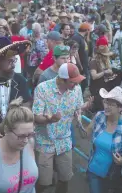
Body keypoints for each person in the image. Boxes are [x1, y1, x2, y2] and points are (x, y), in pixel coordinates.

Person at [33, 63, 93, 193]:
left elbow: (77, 108)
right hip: (45, 141)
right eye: (73, 82)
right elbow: (36, 117)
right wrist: (50, 120)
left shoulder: (76, 90)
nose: (76, 85)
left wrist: (85, 107)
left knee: (65, 177)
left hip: (64, 139)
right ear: (62, 79)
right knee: (44, 182)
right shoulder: (42, 89)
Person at [78, 87, 122, 193]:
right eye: (106, 102)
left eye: (111, 104)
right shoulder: (99, 116)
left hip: (112, 177)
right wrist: (78, 120)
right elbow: (85, 135)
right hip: (93, 170)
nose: (106, 106)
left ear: (120, 108)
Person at [89, 37, 117, 114]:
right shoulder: (93, 62)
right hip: (97, 90)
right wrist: (104, 72)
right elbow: (94, 76)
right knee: (100, 110)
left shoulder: (106, 61)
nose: (107, 56)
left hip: (105, 88)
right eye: (105, 55)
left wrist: (110, 73)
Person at [71, 22, 91, 93]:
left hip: (84, 66)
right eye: (89, 31)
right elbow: (75, 53)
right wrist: (80, 66)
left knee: (84, 84)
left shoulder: (82, 38)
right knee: (80, 84)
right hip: (79, 66)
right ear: (87, 30)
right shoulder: (76, 37)